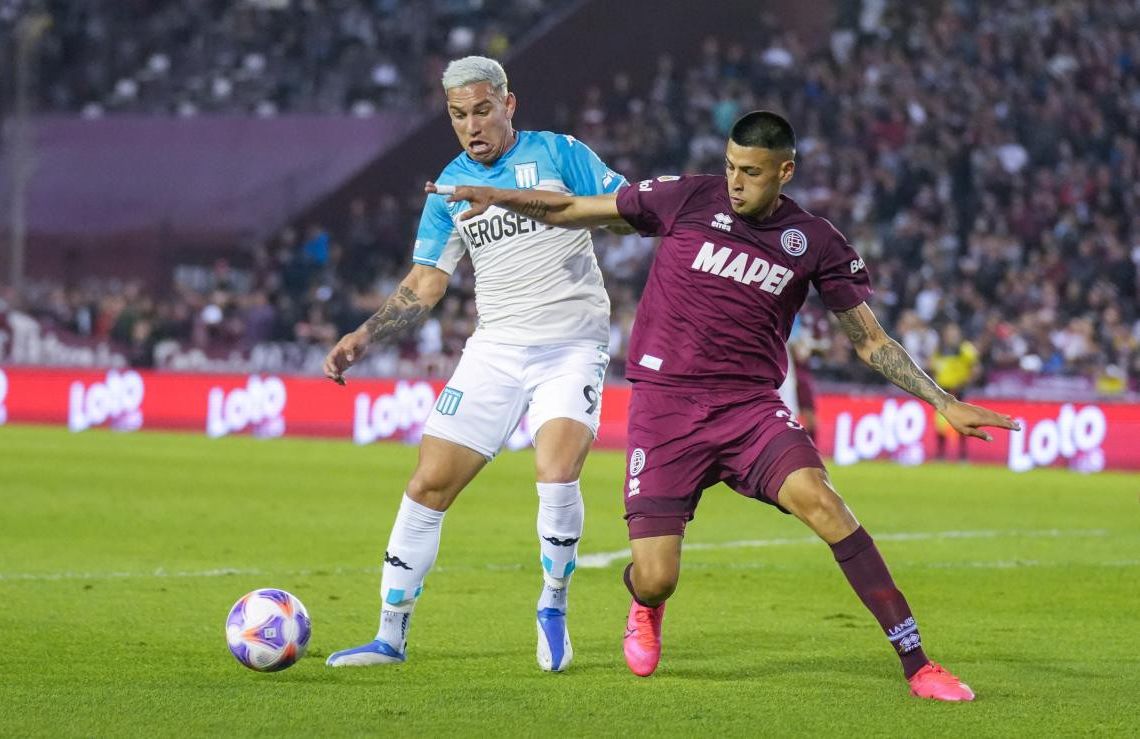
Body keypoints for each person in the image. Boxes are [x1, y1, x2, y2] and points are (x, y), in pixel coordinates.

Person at [430, 110, 1019, 701]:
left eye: (753, 172)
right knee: (658, 578)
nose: (736, 182)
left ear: (785, 172)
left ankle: (918, 664)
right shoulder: (686, 198)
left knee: (827, 505)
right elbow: (573, 209)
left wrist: (942, 401)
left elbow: (869, 340)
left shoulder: (814, 241)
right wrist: (502, 197)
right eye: (731, 167)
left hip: (748, 410)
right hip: (665, 411)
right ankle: (644, 605)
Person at [322, 56, 627, 672]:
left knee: (556, 467)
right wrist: (366, 335)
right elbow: (427, 282)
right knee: (427, 484)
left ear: (508, 106)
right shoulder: (449, 187)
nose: (471, 125)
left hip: (572, 344)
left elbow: (626, 210)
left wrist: (540, 203)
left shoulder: (562, 153)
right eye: (459, 115)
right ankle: (390, 635)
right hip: (496, 348)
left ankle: (553, 603)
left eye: (482, 110)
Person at [930, 322, 981, 461]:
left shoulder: (965, 349)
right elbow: (932, 365)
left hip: (958, 390)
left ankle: (962, 456)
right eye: (949, 333)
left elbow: (975, 368)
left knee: (962, 423)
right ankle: (940, 455)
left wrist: (965, 381)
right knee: (941, 423)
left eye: (954, 333)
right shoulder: (940, 349)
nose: (952, 336)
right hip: (943, 391)